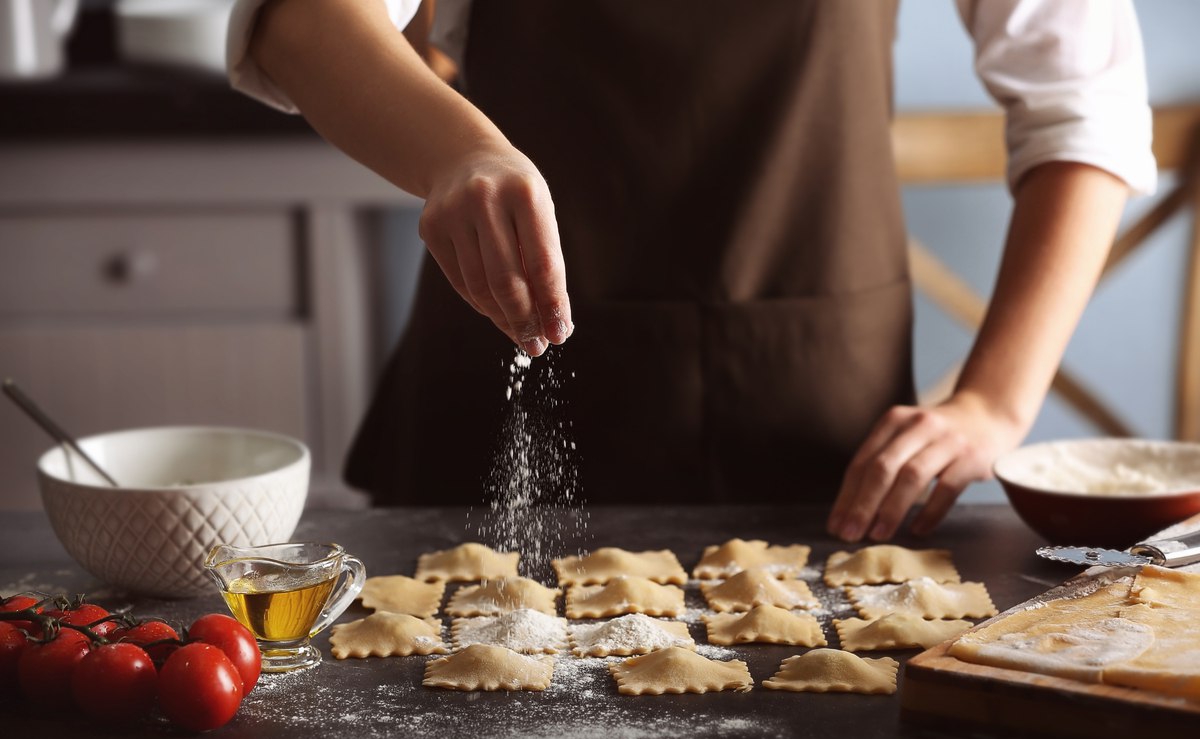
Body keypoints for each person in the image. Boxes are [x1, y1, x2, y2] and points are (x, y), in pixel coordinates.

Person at [227, 0, 1155, 541]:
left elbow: (1086, 104)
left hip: (821, 435)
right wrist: (456, 154)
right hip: (496, 404)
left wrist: (995, 399)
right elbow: (298, 21)